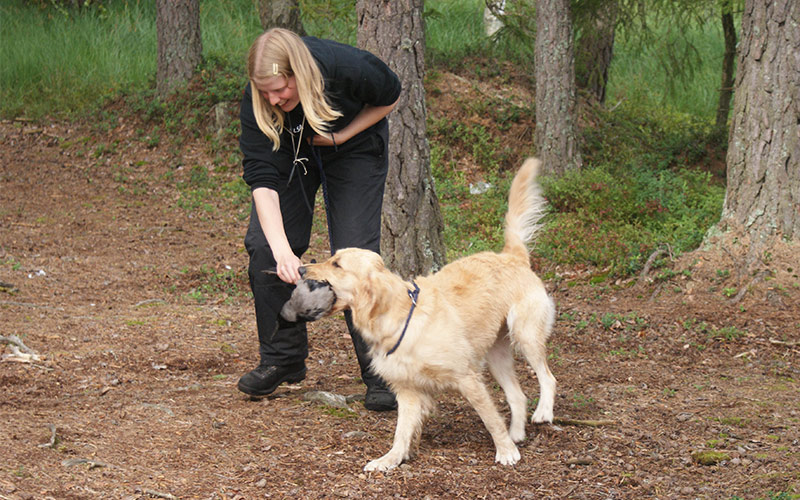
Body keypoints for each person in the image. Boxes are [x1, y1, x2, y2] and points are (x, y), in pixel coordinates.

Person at [236, 28, 401, 411]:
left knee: (355, 251)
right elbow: (262, 181)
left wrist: (342, 136)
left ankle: (380, 371)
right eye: (265, 92)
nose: (273, 100)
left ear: (299, 72)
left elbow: (389, 95)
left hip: (354, 147)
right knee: (264, 245)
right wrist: (282, 252)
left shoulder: (346, 67)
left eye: (280, 90)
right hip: (294, 152)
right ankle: (283, 358)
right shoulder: (259, 101)